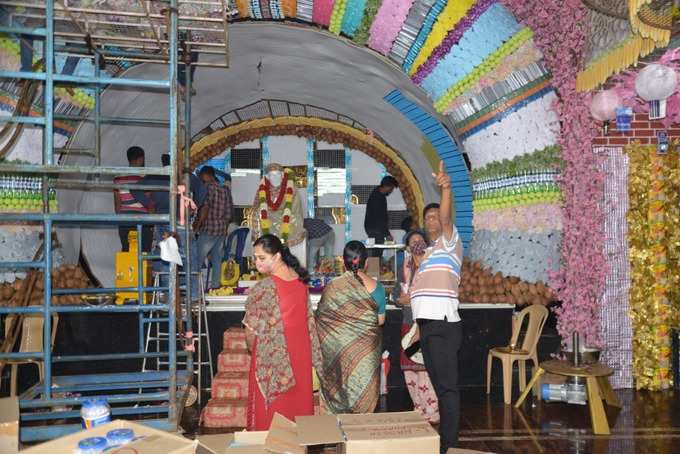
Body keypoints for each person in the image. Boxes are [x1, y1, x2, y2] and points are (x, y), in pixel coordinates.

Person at [399, 161, 462, 452]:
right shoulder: (427, 255)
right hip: (427, 325)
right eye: (429, 218)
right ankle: (444, 440)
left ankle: (448, 445)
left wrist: (445, 188)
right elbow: (416, 287)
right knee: (440, 386)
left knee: (447, 388)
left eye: (436, 216)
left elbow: (448, 219)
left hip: (442, 323)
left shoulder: (450, 242)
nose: (434, 220)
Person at [243, 234, 322, 430]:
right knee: (298, 410)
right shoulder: (300, 282)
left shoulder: (263, 289)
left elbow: (250, 333)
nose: (256, 262)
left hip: (273, 358)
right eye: (255, 257)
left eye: (262, 258)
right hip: (301, 355)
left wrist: (254, 352)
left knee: (274, 415)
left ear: (277, 256)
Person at [315, 241, 385, 414]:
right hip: (365, 351)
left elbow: (322, 317)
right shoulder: (377, 287)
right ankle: (359, 433)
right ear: (366, 263)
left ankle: (337, 431)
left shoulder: (333, 286)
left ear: (343, 261)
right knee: (364, 389)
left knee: (337, 388)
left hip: (336, 349)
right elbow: (380, 321)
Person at [131, 154, 205, 299]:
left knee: (166, 257)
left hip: (162, 221)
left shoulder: (156, 176)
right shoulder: (187, 176)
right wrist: (193, 205)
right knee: (190, 256)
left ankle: (167, 295)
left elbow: (134, 189)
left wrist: (149, 204)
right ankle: (194, 295)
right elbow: (203, 191)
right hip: (182, 221)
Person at [393, 229, 439, 423]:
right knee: (409, 368)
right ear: (408, 247)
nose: (417, 244)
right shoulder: (404, 267)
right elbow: (396, 293)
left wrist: (413, 298)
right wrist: (398, 299)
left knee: (424, 367)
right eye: (413, 241)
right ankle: (418, 408)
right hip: (408, 323)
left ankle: (432, 410)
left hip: (425, 325)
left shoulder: (432, 266)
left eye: (420, 241)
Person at [194, 166, 232, 290]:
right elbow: (228, 212)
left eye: (201, 176)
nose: (200, 179)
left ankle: (195, 290)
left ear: (206, 175)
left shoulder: (207, 188)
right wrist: (224, 228)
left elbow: (204, 209)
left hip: (209, 229)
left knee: (197, 259)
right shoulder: (224, 189)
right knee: (217, 259)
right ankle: (215, 286)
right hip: (221, 230)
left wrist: (198, 225)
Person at [113, 146, 153, 253]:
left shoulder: (118, 177)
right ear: (140, 159)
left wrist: (120, 220)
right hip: (142, 220)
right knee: (144, 253)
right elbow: (149, 201)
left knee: (127, 252)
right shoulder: (145, 177)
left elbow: (117, 204)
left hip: (125, 220)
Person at [364, 175, 398, 257]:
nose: (391, 191)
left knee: (375, 253)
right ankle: (374, 269)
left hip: (374, 229)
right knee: (376, 254)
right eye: (391, 188)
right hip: (376, 230)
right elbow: (380, 219)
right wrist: (387, 234)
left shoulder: (378, 194)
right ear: (387, 186)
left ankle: (374, 268)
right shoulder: (377, 198)